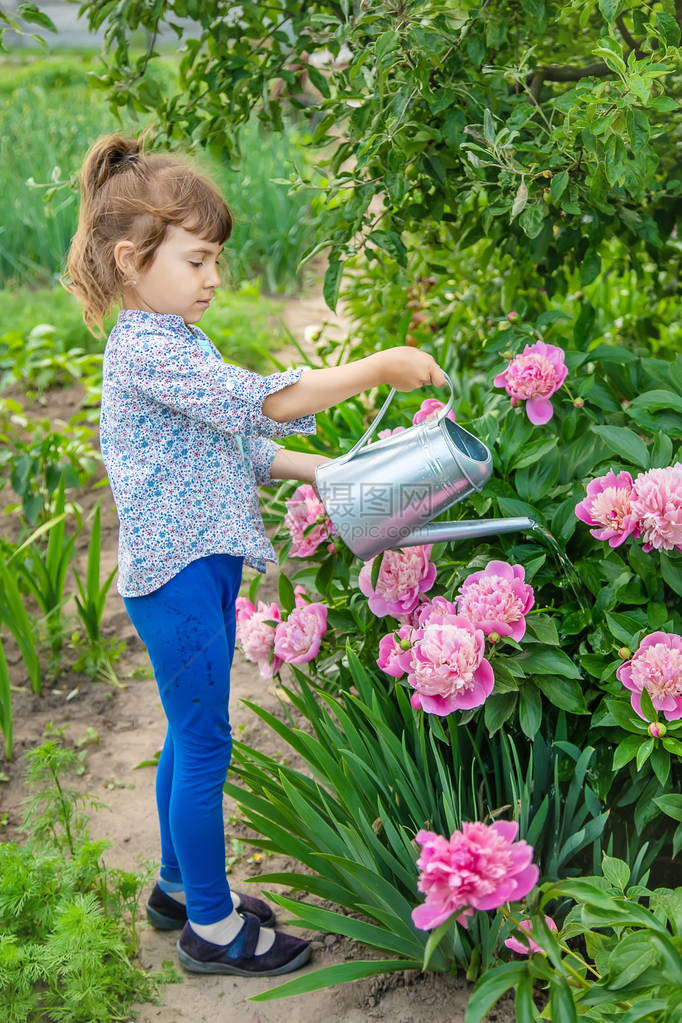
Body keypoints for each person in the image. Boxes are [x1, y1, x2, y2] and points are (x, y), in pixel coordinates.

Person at [61, 128, 447, 978]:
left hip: (193, 569)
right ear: (132, 260)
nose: (212, 279)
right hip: (181, 580)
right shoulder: (150, 349)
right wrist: (377, 366)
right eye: (196, 260)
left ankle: (174, 887)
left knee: (185, 735)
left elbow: (237, 445)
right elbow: (264, 401)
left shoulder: (171, 342)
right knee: (205, 745)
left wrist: (334, 471)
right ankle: (210, 925)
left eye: (216, 261)